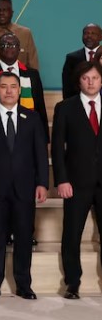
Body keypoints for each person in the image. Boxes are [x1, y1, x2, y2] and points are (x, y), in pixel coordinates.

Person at [0, 71, 48, 299]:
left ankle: (24, 285)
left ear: (19, 89)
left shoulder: (32, 117)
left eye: (13, 86)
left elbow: (40, 155)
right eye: (3, 86)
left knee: (24, 238)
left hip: (24, 189)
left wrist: (43, 183)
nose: (8, 91)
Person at [52, 60, 102, 299]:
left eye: (95, 78)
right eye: (85, 78)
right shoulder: (65, 108)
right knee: (72, 234)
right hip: (75, 182)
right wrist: (62, 179)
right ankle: (73, 282)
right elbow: (57, 149)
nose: (90, 82)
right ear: (79, 81)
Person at [0, 32, 49, 136]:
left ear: (19, 49)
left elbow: (40, 107)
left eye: (13, 45)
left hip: (27, 131)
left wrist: (44, 137)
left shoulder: (32, 74)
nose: (9, 48)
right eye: (5, 45)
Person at [61, 23, 101, 98]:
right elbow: (67, 86)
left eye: (93, 33)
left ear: (100, 37)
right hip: (78, 104)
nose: (89, 36)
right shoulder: (72, 58)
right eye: (86, 33)